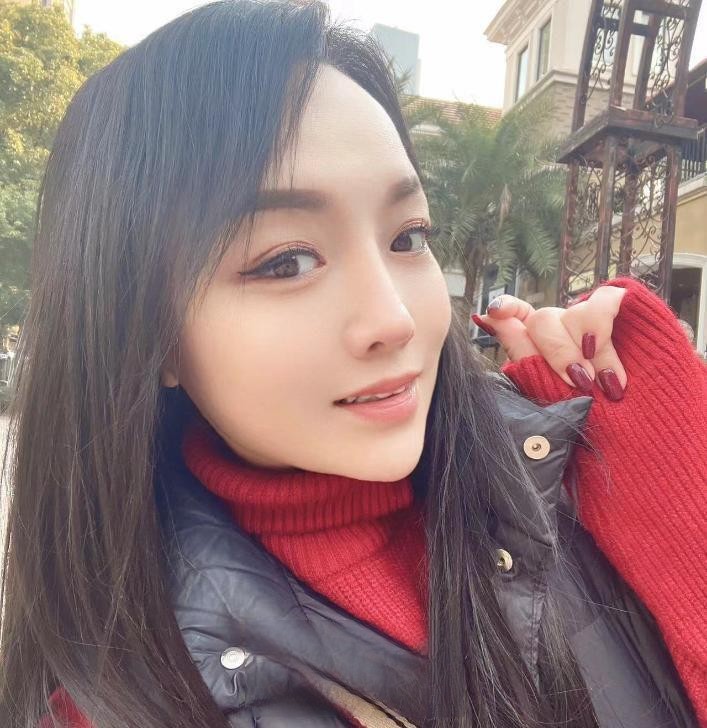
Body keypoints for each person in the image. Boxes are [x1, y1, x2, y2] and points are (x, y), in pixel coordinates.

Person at [0, 2, 704, 727]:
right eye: (286, 262)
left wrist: (667, 463)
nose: (394, 319)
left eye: (408, 237)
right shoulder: (124, 703)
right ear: (145, 329)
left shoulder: (559, 471)